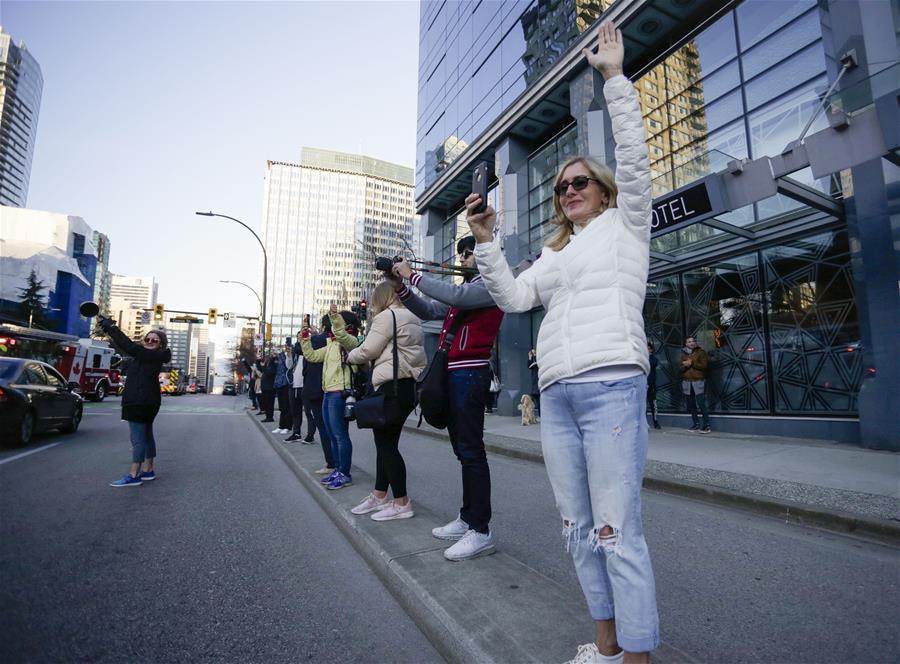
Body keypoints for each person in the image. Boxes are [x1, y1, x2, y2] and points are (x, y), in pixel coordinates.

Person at [466, 21, 659, 663]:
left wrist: (614, 79)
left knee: (616, 531)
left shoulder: (627, 225)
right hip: (558, 399)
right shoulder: (556, 253)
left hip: (612, 387)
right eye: (561, 187)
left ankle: (637, 658)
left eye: (580, 182)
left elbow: (636, 160)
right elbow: (513, 297)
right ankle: (606, 647)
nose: (569, 191)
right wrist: (487, 242)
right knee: (578, 530)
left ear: (602, 191)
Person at [392, 235, 504, 562]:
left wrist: (412, 275)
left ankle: (480, 530)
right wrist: (401, 287)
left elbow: (454, 295)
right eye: (462, 254)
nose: (463, 259)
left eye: (468, 253)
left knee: (471, 451)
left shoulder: (492, 284)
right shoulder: (467, 292)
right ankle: (468, 518)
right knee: (463, 451)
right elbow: (429, 309)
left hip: (470, 372)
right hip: (455, 373)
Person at [346, 281, 426, 521]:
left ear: (381, 298)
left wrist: (349, 356)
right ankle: (379, 495)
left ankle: (401, 503)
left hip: (390, 386)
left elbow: (368, 350)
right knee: (386, 442)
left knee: (386, 445)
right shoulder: (413, 317)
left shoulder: (386, 317)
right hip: (407, 387)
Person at [97, 319, 171, 487]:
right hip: (147, 401)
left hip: (139, 402)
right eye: (147, 339)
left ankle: (134, 475)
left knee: (137, 439)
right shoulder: (148, 357)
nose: (150, 342)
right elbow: (132, 350)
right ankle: (148, 470)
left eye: (154, 340)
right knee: (146, 436)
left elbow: (129, 346)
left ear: (160, 345)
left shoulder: (151, 355)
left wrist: (112, 329)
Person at [300, 305, 360, 490]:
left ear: (345, 325)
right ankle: (337, 469)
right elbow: (311, 356)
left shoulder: (351, 341)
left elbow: (342, 335)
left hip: (339, 393)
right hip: (328, 392)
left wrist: (334, 316)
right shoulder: (331, 344)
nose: (334, 326)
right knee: (332, 435)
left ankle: (345, 474)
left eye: (338, 322)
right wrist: (304, 337)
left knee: (340, 435)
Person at [680, 336, 710, 433]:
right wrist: (685, 365)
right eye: (689, 342)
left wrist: (692, 363)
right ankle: (696, 424)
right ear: (686, 344)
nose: (691, 343)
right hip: (687, 382)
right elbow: (679, 368)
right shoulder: (683, 354)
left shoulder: (701, 352)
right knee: (691, 404)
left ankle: (706, 425)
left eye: (693, 341)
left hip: (698, 380)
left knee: (701, 403)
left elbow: (704, 366)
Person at [284, 335, 309, 443]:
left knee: (308, 412)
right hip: (294, 385)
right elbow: (289, 366)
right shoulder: (295, 352)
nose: (300, 339)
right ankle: (296, 433)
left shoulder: (309, 349)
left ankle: (310, 435)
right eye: (298, 337)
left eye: (302, 336)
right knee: (295, 412)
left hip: (305, 385)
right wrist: (289, 354)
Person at [273, 344, 293, 434]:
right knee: (282, 406)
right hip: (279, 383)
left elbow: (289, 366)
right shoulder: (280, 356)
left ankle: (288, 426)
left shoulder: (290, 355)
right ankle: (281, 426)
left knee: (286, 406)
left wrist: (288, 354)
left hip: (286, 382)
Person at [258, 355, 276, 422]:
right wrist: (258, 361)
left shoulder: (273, 366)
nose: (265, 361)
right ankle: (267, 416)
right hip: (265, 388)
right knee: (265, 403)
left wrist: (263, 367)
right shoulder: (267, 366)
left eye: (266, 359)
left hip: (270, 388)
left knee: (269, 404)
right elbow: (260, 369)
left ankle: (270, 417)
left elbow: (269, 373)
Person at [647, 342, 661, 429]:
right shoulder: (640, 359)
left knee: (653, 404)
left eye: (648, 348)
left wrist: (646, 357)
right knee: (642, 405)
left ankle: (655, 421)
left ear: (651, 350)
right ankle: (643, 423)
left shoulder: (653, 359)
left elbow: (652, 364)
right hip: (642, 385)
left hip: (651, 385)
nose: (646, 350)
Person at [527, 349, 540, 416]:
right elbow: (529, 366)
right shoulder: (533, 365)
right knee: (535, 400)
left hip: (538, 383)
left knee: (539, 401)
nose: (533, 354)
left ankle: (540, 415)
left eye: (534, 352)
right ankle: (532, 415)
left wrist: (534, 356)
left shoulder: (538, 362)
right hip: (535, 384)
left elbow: (534, 364)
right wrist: (530, 357)